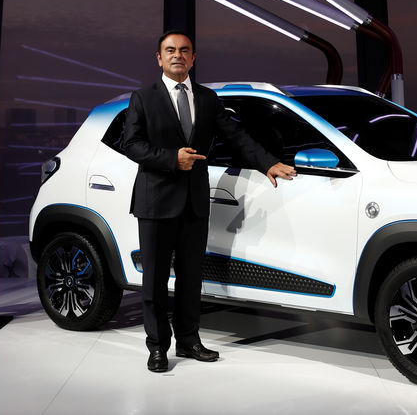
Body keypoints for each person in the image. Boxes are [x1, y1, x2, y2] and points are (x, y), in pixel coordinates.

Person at [121, 30, 297, 373]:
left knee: (191, 278)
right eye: (170, 50)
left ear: (193, 58)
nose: (177, 55)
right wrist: (173, 158)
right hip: (155, 202)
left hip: (195, 202)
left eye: (184, 50)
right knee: (155, 280)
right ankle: (158, 347)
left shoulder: (206, 98)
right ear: (159, 58)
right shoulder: (142, 98)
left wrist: (267, 163)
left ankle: (188, 341)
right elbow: (132, 145)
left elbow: (236, 136)